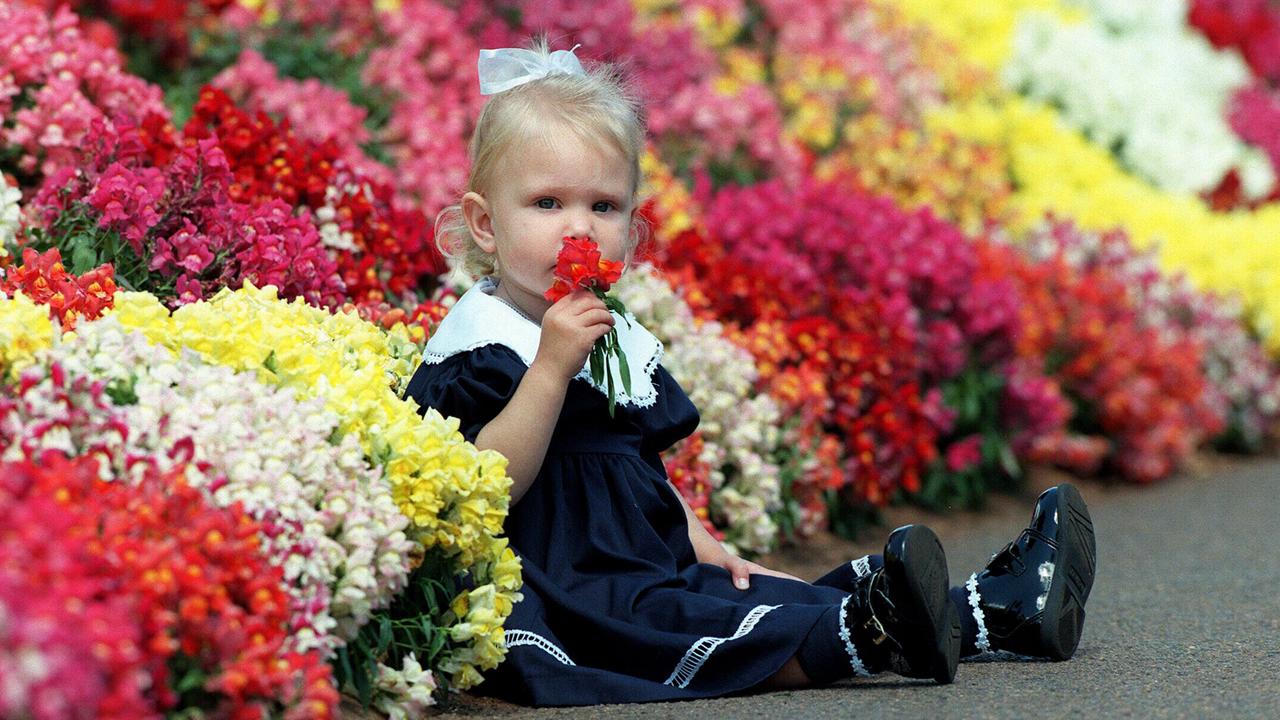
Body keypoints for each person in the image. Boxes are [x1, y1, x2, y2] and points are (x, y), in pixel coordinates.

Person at [404, 39, 1097, 707]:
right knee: (695, 631)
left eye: (603, 206)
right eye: (547, 203)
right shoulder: (482, 345)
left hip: (642, 563)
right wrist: (549, 371)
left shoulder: (610, 337)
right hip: (568, 588)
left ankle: (999, 610)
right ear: (485, 224)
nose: (578, 228)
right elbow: (486, 483)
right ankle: (872, 633)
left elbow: (629, 468)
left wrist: (707, 545)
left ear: (634, 230)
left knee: (754, 595)